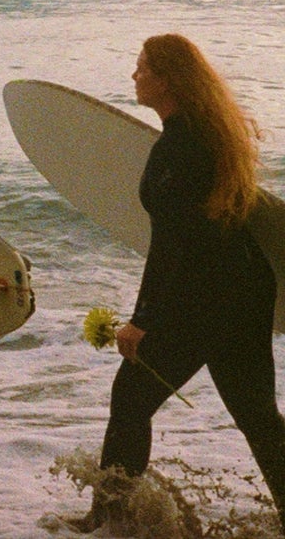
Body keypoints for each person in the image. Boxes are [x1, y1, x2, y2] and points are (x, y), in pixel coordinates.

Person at [82, 35, 285, 529]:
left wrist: (141, 321)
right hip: (238, 289)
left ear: (167, 79)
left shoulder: (181, 145)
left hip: (208, 296)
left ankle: (111, 521)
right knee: (257, 416)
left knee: (130, 398)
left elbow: (174, 244)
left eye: (142, 68)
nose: (134, 77)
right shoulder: (200, 134)